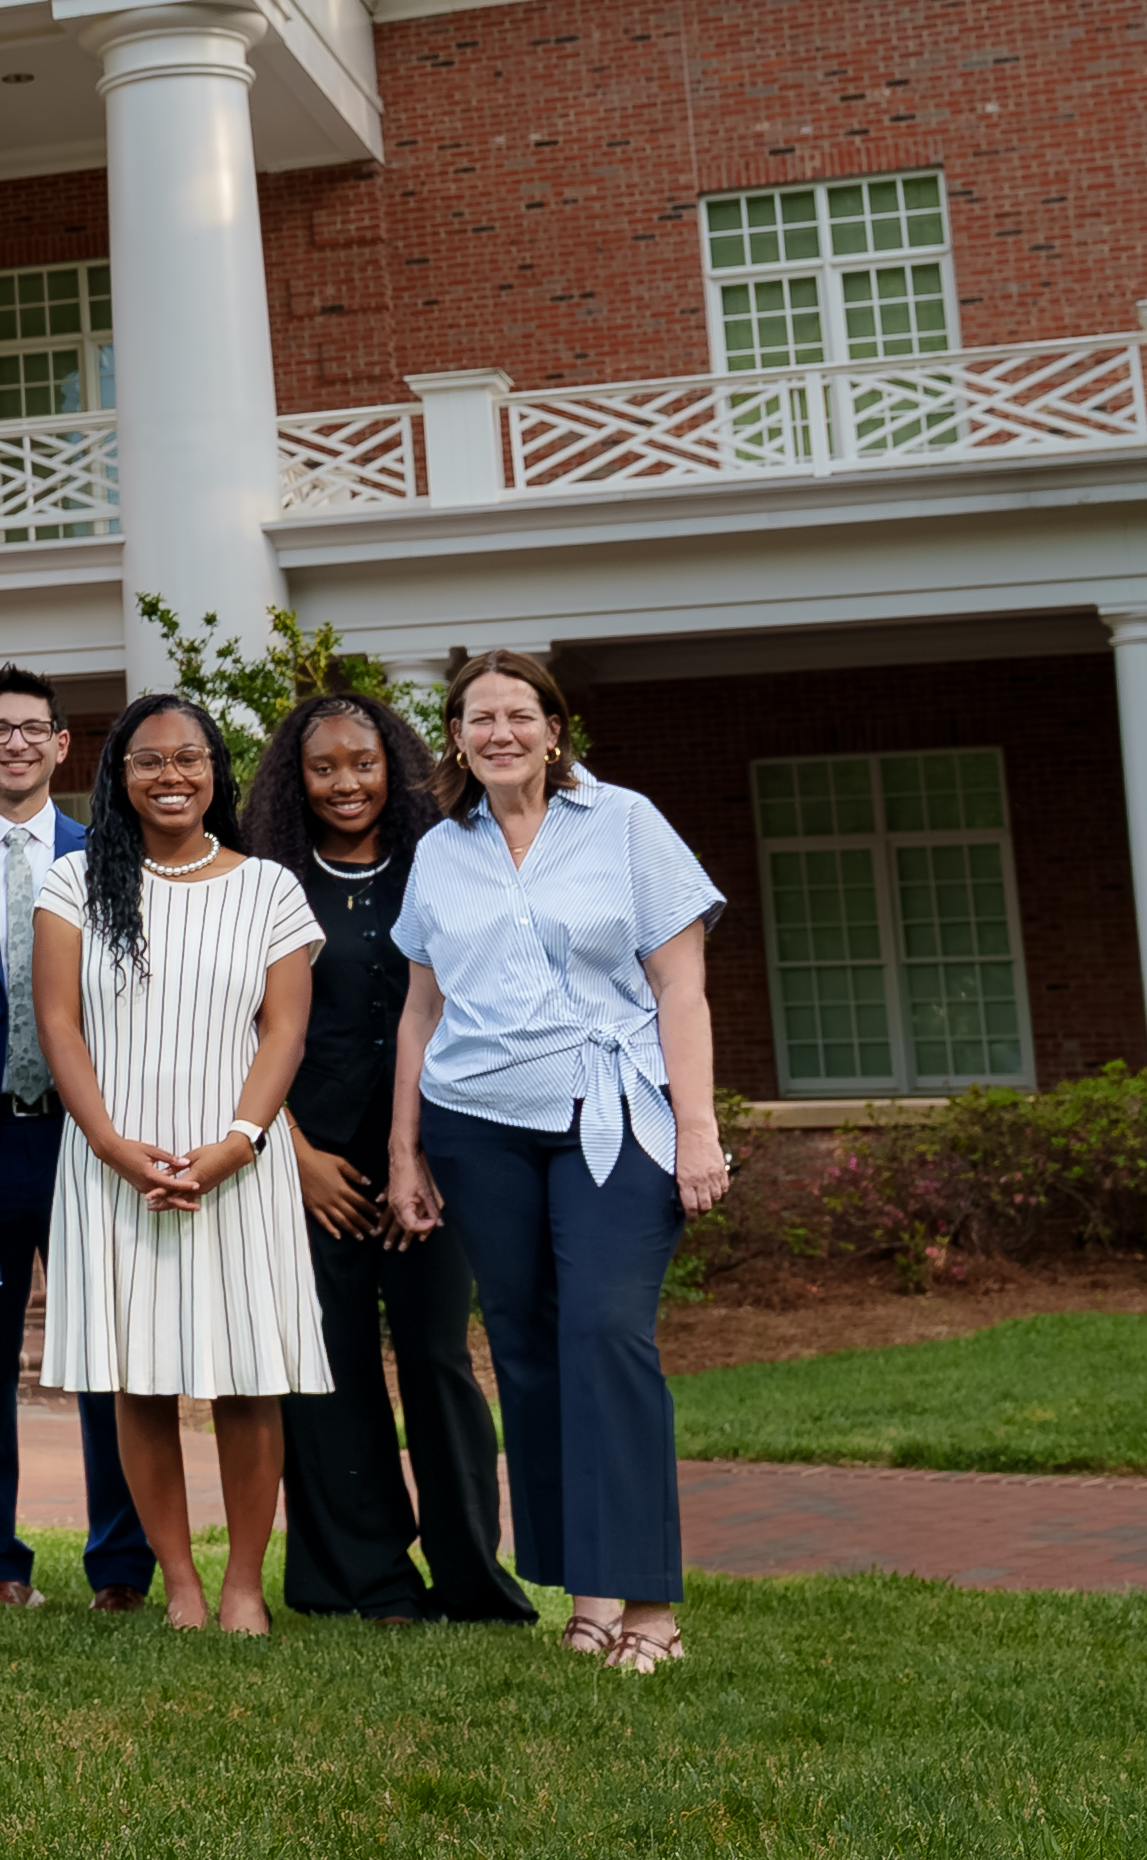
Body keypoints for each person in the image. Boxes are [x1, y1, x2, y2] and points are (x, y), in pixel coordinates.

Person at [385, 649, 728, 1674]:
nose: (499, 733)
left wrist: (698, 1127)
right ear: (454, 737)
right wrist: (405, 1149)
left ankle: (653, 1608)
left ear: (553, 728)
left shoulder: (624, 822)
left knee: (606, 1335)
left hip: (612, 1116)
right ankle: (589, 1595)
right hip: (474, 1126)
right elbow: (420, 1008)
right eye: (477, 718)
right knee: (528, 1355)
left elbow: (680, 989)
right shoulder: (441, 850)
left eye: (518, 715)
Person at [31, 694, 332, 1636]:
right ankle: (182, 1586)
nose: (172, 775)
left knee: (248, 1376)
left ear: (217, 773)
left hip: (238, 1161)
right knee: (141, 1375)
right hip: (112, 1161)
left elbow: (284, 1031)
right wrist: (116, 1148)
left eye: (190, 759)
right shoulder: (74, 884)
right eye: (149, 761)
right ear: (118, 776)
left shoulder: (271, 887)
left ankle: (244, 1584)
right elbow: (57, 1026)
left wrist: (237, 1143)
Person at [248, 691, 525, 1626]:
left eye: (362, 763)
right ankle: (362, 1581)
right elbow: (233, 1031)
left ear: (393, 766)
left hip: (430, 1157)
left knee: (439, 1358)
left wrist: (433, 1152)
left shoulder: (442, 867)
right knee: (326, 1370)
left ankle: (472, 1580)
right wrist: (293, 1156)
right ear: (297, 778)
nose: (345, 783)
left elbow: (470, 1006)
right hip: (307, 1162)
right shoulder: (266, 883)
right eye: (323, 767)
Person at [0, 665, 156, 1611]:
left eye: (35, 729)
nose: (17, 743)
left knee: (108, 1355)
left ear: (65, 745)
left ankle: (119, 1566)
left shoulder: (112, 854)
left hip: (87, 1137)